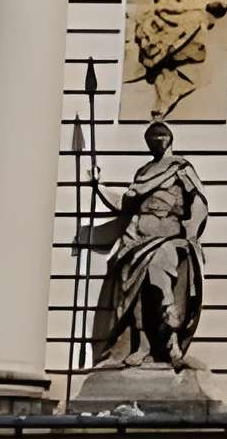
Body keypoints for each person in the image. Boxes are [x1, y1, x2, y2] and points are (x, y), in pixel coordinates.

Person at [89, 120, 209, 371]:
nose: (156, 141)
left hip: (166, 239)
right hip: (135, 241)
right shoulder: (143, 173)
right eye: (151, 138)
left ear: (169, 140)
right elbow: (126, 203)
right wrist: (98, 186)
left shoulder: (180, 169)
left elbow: (197, 201)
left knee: (159, 270)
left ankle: (172, 342)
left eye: (160, 137)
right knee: (132, 289)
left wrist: (192, 232)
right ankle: (141, 344)